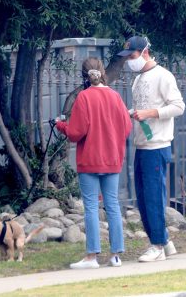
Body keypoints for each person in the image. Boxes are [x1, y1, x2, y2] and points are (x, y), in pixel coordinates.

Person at [56, 57, 132, 269]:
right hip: (112, 160)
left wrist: (61, 125)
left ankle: (92, 257)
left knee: (91, 207)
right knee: (113, 206)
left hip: (90, 160)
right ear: (101, 72)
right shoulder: (116, 97)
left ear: (85, 75)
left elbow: (75, 133)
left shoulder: (84, 97)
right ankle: (116, 255)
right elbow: (126, 128)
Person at [117, 36, 185, 262]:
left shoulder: (163, 76)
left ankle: (156, 245)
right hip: (142, 145)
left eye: (132, 56)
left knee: (153, 197)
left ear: (145, 52)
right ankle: (164, 241)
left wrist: (149, 113)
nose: (129, 60)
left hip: (157, 146)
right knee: (144, 197)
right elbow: (143, 108)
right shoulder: (138, 79)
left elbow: (178, 106)